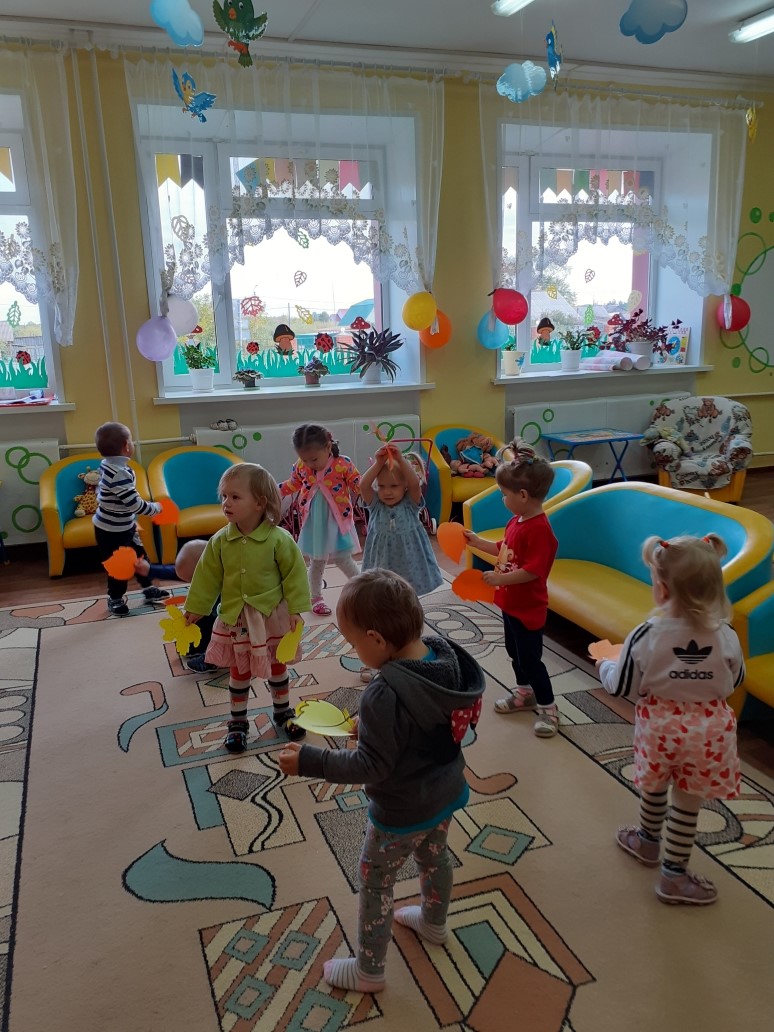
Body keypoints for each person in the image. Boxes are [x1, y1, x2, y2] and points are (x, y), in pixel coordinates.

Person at [278, 570, 485, 993]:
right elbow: (420, 723)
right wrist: (373, 728)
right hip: (445, 792)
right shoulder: (443, 658)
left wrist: (310, 761)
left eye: (353, 643)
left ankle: (369, 970)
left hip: (401, 812)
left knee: (376, 882)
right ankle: (434, 922)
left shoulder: (384, 692)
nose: (353, 652)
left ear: (375, 639)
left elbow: (371, 766)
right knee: (435, 858)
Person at [596, 534, 744, 906]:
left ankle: (647, 841)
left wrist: (605, 665)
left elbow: (622, 686)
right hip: (709, 731)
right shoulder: (726, 635)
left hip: (659, 728)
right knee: (688, 803)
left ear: (661, 589)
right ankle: (674, 875)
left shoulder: (645, 635)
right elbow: (736, 679)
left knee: (655, 785)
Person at [184, 463, 311, 752]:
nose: (226, 503)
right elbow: (206, 577)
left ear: (259, 503)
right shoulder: (220, 541)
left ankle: (283, 712)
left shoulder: (279, 539)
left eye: (235, 497)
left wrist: (296, 610)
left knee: (277, 664)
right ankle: (238, 722)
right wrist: (197, 608)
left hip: (271, 617)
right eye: (224, 497)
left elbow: (295, 576)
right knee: (239, 670)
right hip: (236, 618)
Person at [462, 438, 559, 737]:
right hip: (510, 604)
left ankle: (549, 708)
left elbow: (532, 571)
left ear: (523, 495)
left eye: (505, 494)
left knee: (531, 660)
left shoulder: (540, 530)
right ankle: (524, 693)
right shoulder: (517, 520)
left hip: (528, 608)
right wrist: (479, 542)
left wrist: (500, 580)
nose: (503, 499)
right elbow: (504, 550)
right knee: (515, 653)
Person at [358, 444, 442, 681]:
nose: (387, 492)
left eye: (394, 486)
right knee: (381, 610)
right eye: (382, 486)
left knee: (407, 608)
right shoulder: (375, 505)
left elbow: (415, 483)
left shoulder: (410, 503)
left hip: (409, 566)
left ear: (404, 486)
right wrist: (379, 463)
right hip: (382, 566)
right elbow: (363, 485)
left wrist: (400, 460)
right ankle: (379, 659)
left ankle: (411, 651)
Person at [279, 423, 361, 617]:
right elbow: (293, 484)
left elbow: (358, 484)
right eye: (304, 460)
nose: (310, 464)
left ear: (328, 447)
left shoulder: (343, 464)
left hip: (337, 522)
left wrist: (376, 485)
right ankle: (315, 597)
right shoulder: (301, 466)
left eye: (314, 459)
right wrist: (274, 490)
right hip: (313, 523)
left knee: (343, 558)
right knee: (317, 561)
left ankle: (363, 588)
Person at [92, 421, 170, 617]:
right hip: (111, 531)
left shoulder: (109, 465)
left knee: (140, 557)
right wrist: (157, 508)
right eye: (132, 440)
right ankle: (115, 598)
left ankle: (148, 589)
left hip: (124, 525)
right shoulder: (119, 473)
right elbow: (134, 504)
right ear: (126, 446)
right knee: (119, 566)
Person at [134, 540, 221, 672]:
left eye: (194, 580)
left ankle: (213, 658)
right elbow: (176, 571)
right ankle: (202, 644)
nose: (192, 583)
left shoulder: (229, 582)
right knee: (198, 613)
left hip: (233, 621)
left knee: (217, 622)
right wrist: (150, 570)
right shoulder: (207, 569)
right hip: (211, 605)